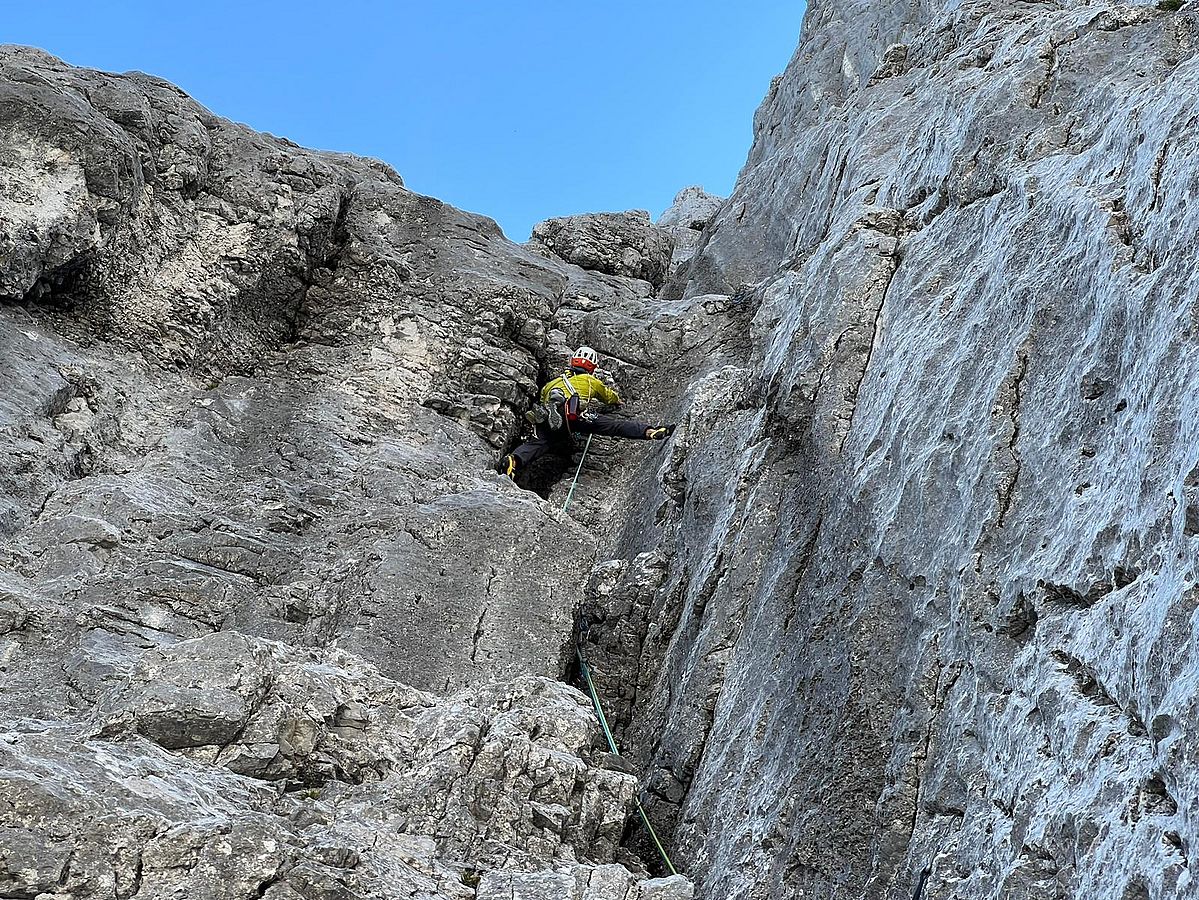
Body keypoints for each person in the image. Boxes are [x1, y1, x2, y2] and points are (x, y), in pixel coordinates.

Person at [499, 345, 674, 478]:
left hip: (547, 418)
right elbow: (608, 395)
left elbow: (543, 397)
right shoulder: (590, 381)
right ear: (592, 366)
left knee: (541, 442)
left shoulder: (552, 383)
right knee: (614, 426)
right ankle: (651, 432)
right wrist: (617, 400)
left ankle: (513, 461)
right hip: (576, 416)